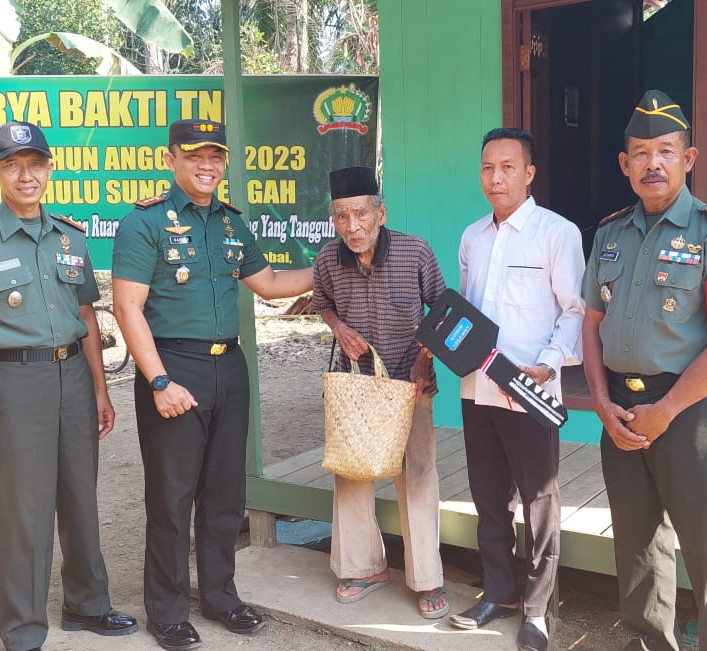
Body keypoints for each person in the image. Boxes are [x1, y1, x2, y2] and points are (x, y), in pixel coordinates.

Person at [111, 119, 313, 651]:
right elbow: (127, 308)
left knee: (225, 494)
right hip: (174, 367)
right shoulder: (144, 223)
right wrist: (159, 380)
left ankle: (221, 596)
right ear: (171, 159)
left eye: (215, 156)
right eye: (195, 155)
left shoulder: (230, 224)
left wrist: (335, 264)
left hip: (230, 368)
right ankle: (168, 610)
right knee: (172, 497)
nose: (207, 165)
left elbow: (270, 284)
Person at [0, 121, 137, 651]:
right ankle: (24, 631)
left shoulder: (70, 237)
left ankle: (87, 605)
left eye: (35, 164)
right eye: (12, 165)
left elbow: (86, 317)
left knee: (80, 495)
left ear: (50, 168)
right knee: (24, 512)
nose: (26, 175)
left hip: (74, 376)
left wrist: (100, 390)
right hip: (18, 382)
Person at [581, 90, 707, 651]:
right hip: (620, 412)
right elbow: (591, 326)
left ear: (689, 158)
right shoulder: (609, 234)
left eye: (665, 151)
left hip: (691, 414)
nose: (652, 163)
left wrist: (666, 410)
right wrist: (601, 403)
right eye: (640, 153)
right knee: (637, 551)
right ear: (624, 163)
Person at [448, 127, 586, 651]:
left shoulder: (557, 233)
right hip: (477, 388)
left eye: (508, 167)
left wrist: (548, 365)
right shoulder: (472, 237)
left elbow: (574, 311)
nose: (496, 177)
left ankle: (537, 610)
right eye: (488, 167)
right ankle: (499, 593)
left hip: (530, 389)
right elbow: (467, 311)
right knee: (488, 496)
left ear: (530, 173)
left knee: (539, 500)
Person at [311, 166, 450, 619]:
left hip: (411, 384)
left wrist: (424, 359)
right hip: (355, 387)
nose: (352, 226)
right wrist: (339, 327)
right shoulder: (328, 259)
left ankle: (427, 578)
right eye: (342, 217)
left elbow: (443, 310)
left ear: (380, 213)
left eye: (361, 214)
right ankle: (363, 568)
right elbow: (322, 302)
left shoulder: (415, 251)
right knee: (351, 473)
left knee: (418, 474)